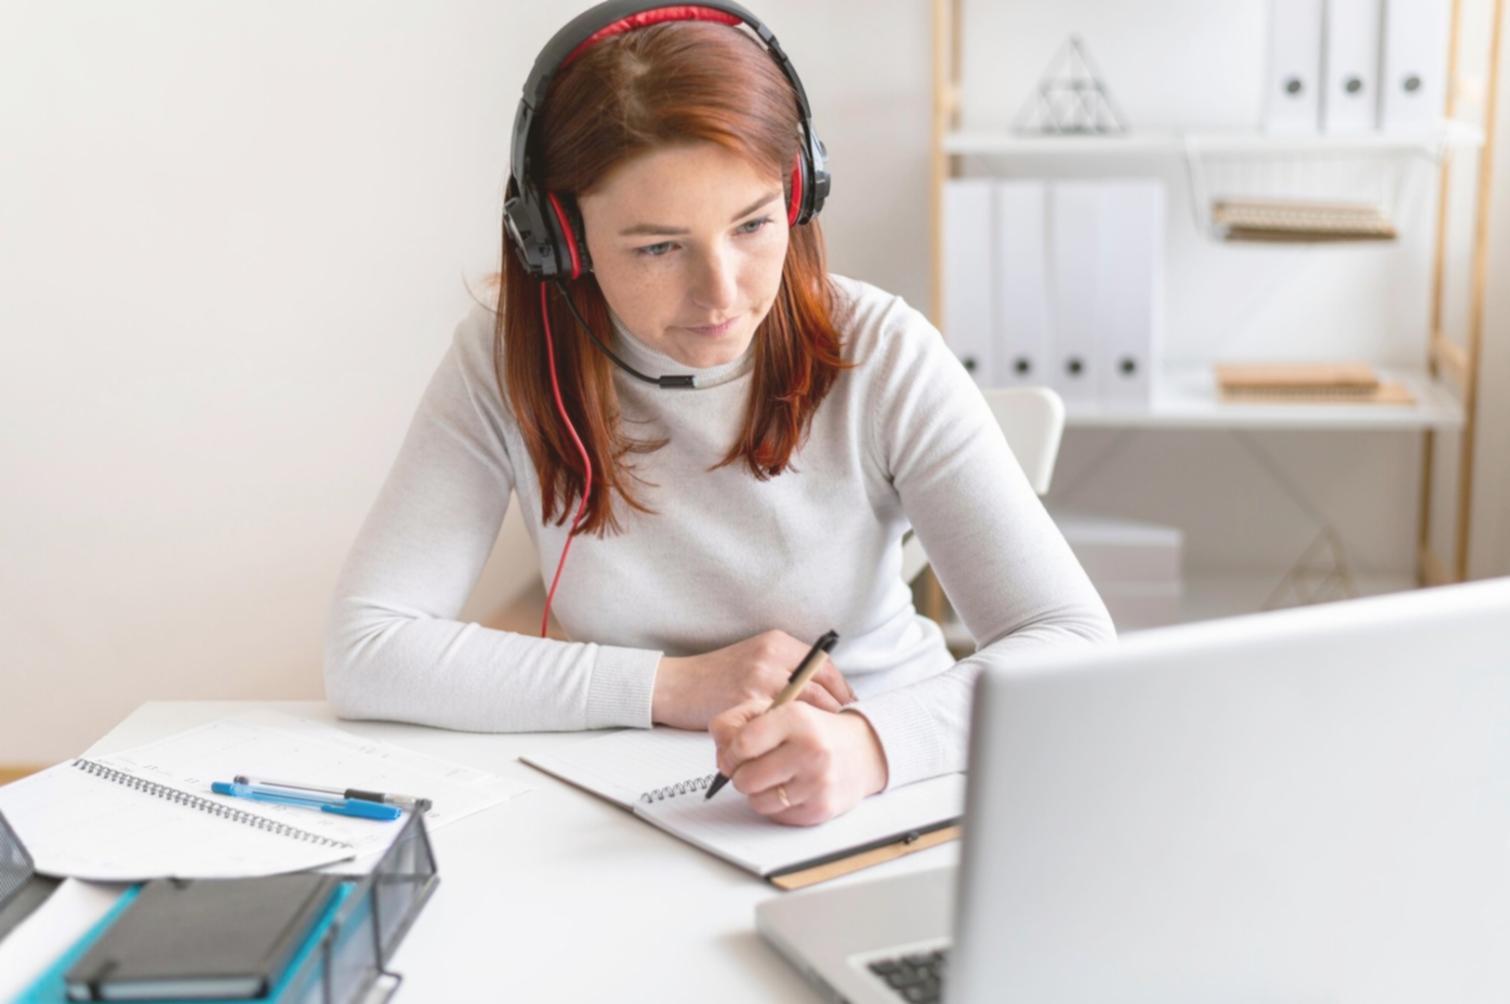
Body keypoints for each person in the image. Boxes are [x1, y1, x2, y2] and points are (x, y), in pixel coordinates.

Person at [325, 1, 1113, 827]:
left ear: (798, 194)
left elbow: (1069, 639)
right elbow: (366, 647)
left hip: (887, 790)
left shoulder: (882, 349)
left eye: (753, 224)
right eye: (658, 247)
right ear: (560, 241)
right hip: (630, 798)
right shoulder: (509, 358)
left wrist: (869, 746)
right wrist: (673, 686)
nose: (722, 294)